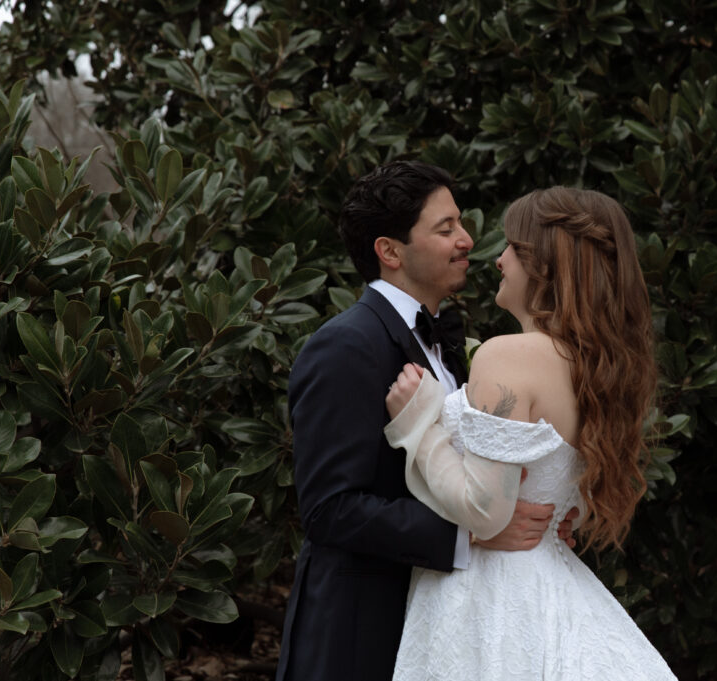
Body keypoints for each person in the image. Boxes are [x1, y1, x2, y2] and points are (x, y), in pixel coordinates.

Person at [275, 161, 575, 681]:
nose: (467, 239)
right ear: (390, 252)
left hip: (443, 623)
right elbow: (329, 509)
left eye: (460, 223)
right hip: (361, 630)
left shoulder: (452, 348)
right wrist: (472, 535)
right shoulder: (345, 346)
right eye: (446, 228)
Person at [383, 186, 677, 680]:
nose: (497, 260)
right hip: (553, 583)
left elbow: (484, 512)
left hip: (494, 598)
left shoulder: (510, 355)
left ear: (544, 263)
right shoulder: (600, 369)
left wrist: (418, 426)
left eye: (511, 247)